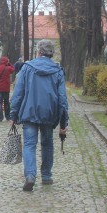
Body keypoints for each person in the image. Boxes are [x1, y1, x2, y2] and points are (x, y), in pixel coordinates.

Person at [9, 40, 68, 191]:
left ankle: (30, 175)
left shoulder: (27, 68)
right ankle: (46, 175)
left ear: (38, 52)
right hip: (49, 114)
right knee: (47, 144)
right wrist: (63, 123)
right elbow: (62, 99)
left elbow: (18, 93)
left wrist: (13, 115)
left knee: (29, 144)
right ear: (51, 53)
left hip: (29, 112)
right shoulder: (58, 70)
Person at [0, 56, 15, 122]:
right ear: (7, 61)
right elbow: (13, 69)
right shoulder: (8, 68)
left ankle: (0, 118)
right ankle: (8, 117)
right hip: (6, 89)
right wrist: (9, 63)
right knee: (7, 103)